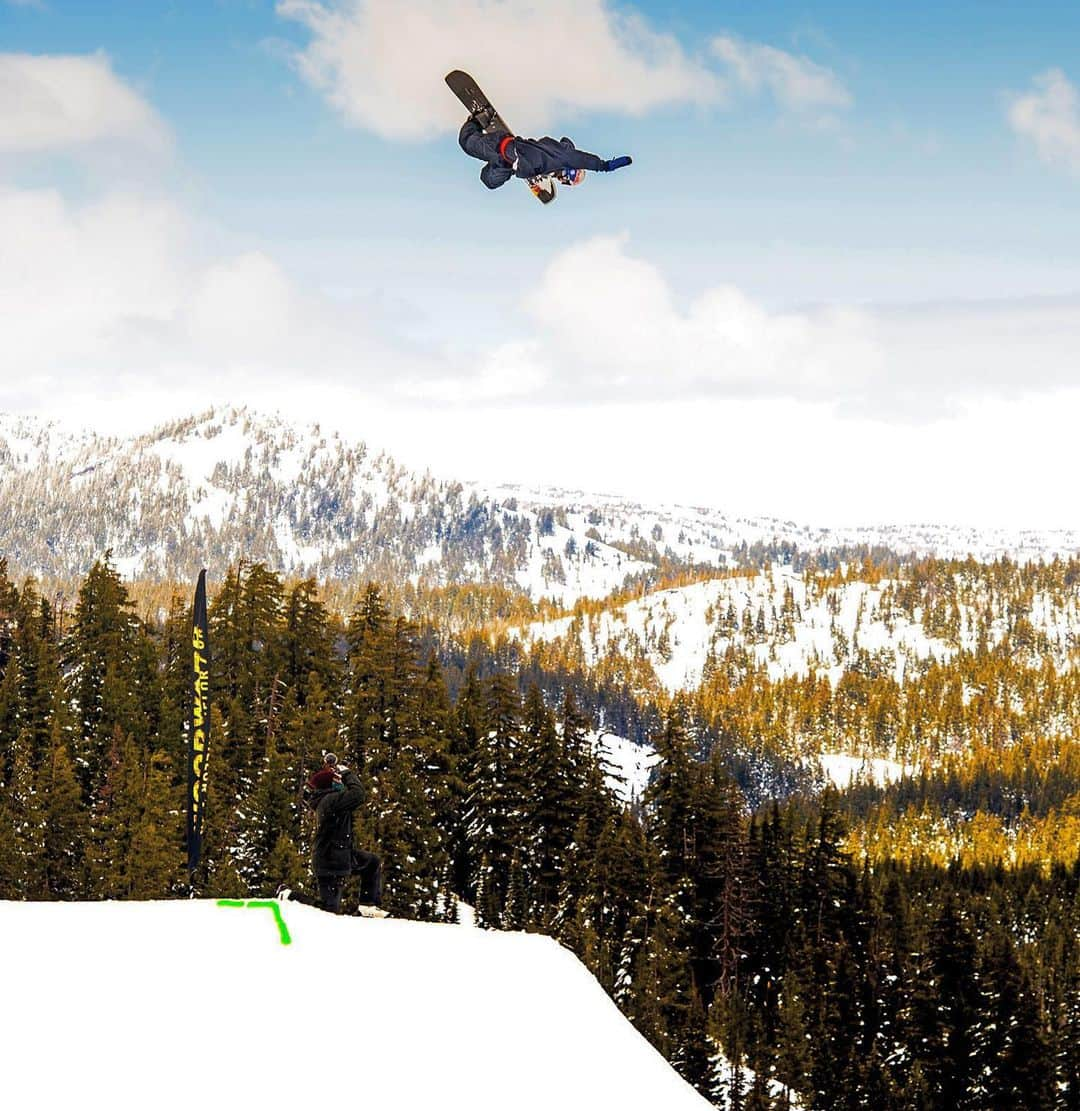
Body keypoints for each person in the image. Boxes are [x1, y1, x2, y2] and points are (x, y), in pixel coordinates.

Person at [278, 753, 385, 916]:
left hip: (341, 855)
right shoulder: (330, 801)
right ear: (329, 786)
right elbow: (358, 795)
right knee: (328, 911)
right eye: (336, 782)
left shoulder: (328, 800)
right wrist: (346, 773)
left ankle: (368, 905)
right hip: (329, 861)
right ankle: (289, 896)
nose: (339, 784)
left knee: (372, 863)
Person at [458, 116, 632, 191]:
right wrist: (604, 166)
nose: (563, 182)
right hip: (502, 147)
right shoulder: (564, 157)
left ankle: (501, 164)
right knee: (466, 142)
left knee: (489, 180)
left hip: (506, 164)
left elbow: (565, 143)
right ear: (570, 171)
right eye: (569, 180)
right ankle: (476, 119)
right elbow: (582, 158)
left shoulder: (553, 164)